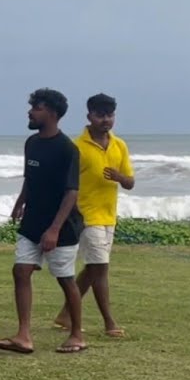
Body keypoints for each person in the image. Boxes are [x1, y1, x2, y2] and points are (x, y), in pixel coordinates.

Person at [0, 88, 86, 355]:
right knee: (20, 271)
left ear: (53, 114)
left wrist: (54, 229)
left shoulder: (67, 149)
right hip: (32, 222)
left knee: (65, 279)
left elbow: (71, 192)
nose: (30, 112)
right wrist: (20, 201)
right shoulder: (31, 143)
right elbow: (30, 178)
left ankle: (77, 334)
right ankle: (23, 335)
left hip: (62, 226)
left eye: (37, 108)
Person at [54, 93, 134, 338]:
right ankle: (109, 322)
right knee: (100, 268)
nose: (105, 120)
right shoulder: (77, 147)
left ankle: (65, 314)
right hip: (86, 215)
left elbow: (130, 182)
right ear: (89, 115)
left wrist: (119, 177)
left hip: (109, 215)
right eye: (100, 115)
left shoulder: (119, 145)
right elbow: (64, 183)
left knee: (92, 269)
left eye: (110, 115)